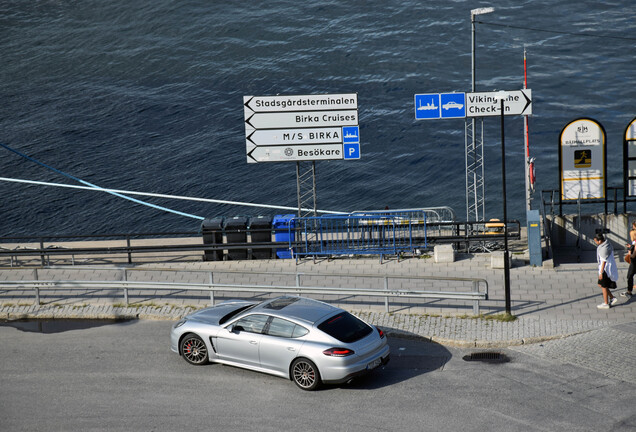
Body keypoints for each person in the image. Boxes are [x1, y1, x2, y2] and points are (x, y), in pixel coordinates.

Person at [594, 233, 618, 309]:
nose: (595, 242)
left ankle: (606, 303)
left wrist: (601, 273)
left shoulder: (604, 249)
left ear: (600, 241)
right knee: (601, 285)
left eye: (596, 241)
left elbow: (603, 261)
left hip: (605, 270)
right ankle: (612, 298)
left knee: (603, 286)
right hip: (606, 269)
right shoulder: (607, 244)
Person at [623, 221, 636, 298]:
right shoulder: (634, 243)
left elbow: (634, 255)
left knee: (629, 276)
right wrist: (631, 246)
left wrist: (629, 254)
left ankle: (629, 291)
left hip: (634, 262)